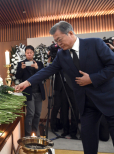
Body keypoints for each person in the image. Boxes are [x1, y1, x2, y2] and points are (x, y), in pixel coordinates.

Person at [15, 21, 114, 154]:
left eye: (59, 39)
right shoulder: (62, 55)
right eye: (55, 41)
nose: (58, 44)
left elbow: (112, 65)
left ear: (70, 33)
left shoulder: (94, 43)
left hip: (108, 99)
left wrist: (92, 78)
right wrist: (27, 82)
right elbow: (47, 71)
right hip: (86, 103)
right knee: (88, 141)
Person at [15, 45, 45, 137]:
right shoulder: (21, 63)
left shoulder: (39, 63)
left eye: (31, 52)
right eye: (27, 53)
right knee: (31, 113)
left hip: (38, 91)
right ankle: (28, 134)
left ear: (33, 53)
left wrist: (37, 68)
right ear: (25, 53)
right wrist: (22, 69)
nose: (29, 54)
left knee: (37, 113)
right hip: (28, 92)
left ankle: (35, 133)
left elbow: (44, 75)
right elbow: (17, 76)